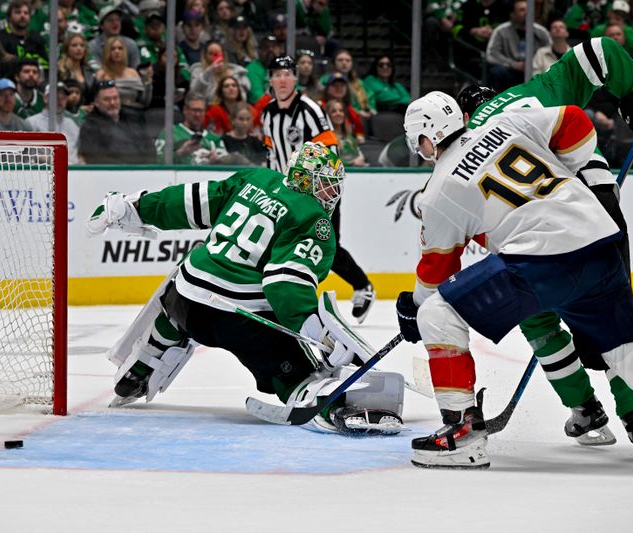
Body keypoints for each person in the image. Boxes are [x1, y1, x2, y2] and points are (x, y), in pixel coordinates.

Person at [396, 91, 633, 468]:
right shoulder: (505, 124)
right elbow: (574, 120)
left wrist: (413, 309)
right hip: (599, 241)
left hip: (541, 262)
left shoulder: (438, 191)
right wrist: (574, 174)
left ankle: (461, 434)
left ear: (427, 137)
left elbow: (437, 272)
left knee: (437, 313)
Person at [438, 36, 633, 452]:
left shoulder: (471, 141)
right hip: (598, 212)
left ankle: (584, 408)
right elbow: (598, 51)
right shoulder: (533, 92)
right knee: (613, 318)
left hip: (540, 234)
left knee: (538, 320)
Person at [85, 141, 405, 435]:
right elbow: (285, 286)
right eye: (326, 183)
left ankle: (141, 366)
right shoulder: (313, 219)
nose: (330, 194)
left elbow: (188, 202)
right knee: (302, 371)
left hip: (183, 297)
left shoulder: (255, 179)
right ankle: (324, 403)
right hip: (235, 320)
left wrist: (134, 206)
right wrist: (318, 333)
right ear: (307, 179)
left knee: (176, 310)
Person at [262, 55, 375, 322]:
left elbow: (331, 150)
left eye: (287, 74)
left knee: (326, 245)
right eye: (277, 74)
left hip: (319, 191)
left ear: (295, 78)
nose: (282, 79)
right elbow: (270, 153)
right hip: (286, 193)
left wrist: (321, 192)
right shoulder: (267, 113)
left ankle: (362, 286)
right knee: (281, 242)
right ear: (270, 79)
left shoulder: (310, 109)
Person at [77, 79, 155, 164]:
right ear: (96, 103)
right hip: (111, 174)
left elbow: (150, 148)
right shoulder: (89, 126)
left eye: (115, 98)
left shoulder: (133, 118)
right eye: (107, 99)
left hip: (143, 173)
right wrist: (127, 169)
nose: (112, 103)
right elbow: (96, 158)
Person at [485, 0, 550, 92]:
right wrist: (513, 64)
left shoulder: (541, 32)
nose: (527, 13)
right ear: (512, 14)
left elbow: (549, 51)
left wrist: (535, 65)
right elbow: (491, 54)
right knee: (496, 72)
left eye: (528, 9)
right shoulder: (501, 30)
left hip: (536, 70)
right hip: (510, 70)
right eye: (522, 10)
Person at [155, 91, 227, 165]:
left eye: (201, 111)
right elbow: (158, 161)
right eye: (194, 110)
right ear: (185, 110)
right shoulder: (170, 133)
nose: (197, 114)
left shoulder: (214, 139)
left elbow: (227, 166)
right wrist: (181, 153)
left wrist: (216, 161)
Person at [26, 82, 81, 164]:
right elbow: (25, 155)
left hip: (73, 172)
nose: (60, 100)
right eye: (56, 97)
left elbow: (79, 154)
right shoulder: (32, 123)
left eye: (63, 97)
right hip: (43, 173)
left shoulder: (71, 124)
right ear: (45, 98)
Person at [95, 36, 152, 110]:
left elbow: (144, 101)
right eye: (113, 49)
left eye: (120, 48)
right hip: (110, 112)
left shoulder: (133, 73)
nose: (117, 51)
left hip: (134, 112)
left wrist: (148, 81)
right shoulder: (101, 74)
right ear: (107, 52)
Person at [88, 6, 141, 70]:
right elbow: (96, 71)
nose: (115, 23)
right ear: (101, 26)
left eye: (118, 20)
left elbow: (136, 69)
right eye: (110, 20)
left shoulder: (130, 44)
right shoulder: (93, 45)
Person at [0, 0, 48, 65]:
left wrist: (15, 59)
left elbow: (46, 64)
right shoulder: (0, 39)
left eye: (26, 13)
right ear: (9, 16)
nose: (22, 16)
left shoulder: (37, 39)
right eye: (18, 12)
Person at [326, 98, 366, 167]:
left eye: (341, 111)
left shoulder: (350, 138)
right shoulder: (325, 139)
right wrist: (352, 163)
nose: (338, 113)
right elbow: (328, 162)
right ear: (328, 116)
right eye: (333, 111)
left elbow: (360, 157)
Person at [58, 33, 97, 104]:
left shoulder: (89, 70)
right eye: (74, 45)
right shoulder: (60, 70)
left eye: (82, 46)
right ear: (67, 49)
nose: (79, 48)